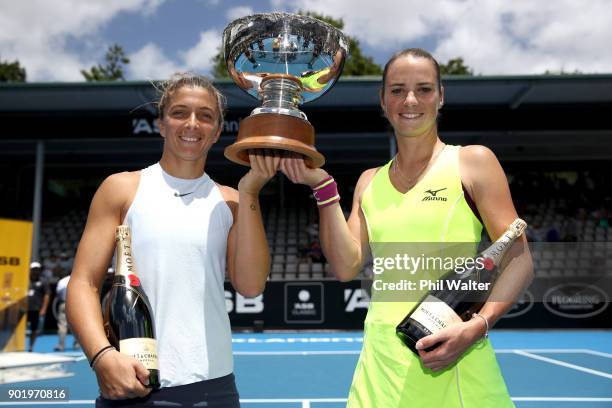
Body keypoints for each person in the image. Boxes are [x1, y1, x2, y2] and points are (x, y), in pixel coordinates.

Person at [280, 48, 533, 406]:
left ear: (440, 97)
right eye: (397, 90)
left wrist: (478, 326)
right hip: (380, 367)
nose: (410, 99)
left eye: (424, 89)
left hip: (453, 361)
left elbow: (520, 259)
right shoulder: (369, 181)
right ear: (383, 101)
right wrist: (322, 187)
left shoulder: (473, 161)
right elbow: (345, 265)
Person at [67, 73, 280, 407]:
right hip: (132, 383)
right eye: (180, 112)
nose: (192, 123)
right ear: (162, 124)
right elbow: (83, 283)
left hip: (214, 389)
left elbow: (251, 286)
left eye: (205, 116)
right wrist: (102, 356)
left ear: (217, 131)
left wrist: (250, 189)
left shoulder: (232, 201)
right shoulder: (121, 188)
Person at [26, 261, 50, 352]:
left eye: (37, 269)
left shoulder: (43, 281)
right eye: (33, 269)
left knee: (34, 329)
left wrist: (43, 309)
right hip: (23, 309)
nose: (35, 271)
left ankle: (31, 347)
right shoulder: (25, 279)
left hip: (36, 309)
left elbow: (47, 295)